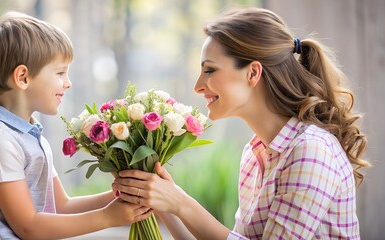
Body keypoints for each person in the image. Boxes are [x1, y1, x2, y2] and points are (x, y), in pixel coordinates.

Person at [113, 7, 370, 239]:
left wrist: (182, 203)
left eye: (210, 70)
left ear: (253, 73)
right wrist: (164, 203)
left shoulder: (311, 150)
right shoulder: (255, 154)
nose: (198, 86)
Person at [0, 11, 152, 239]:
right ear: (23, 77)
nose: (68, 83)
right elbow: (29, 227)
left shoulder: (31, 134)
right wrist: (107, 218)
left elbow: (61, 206)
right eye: (60, 72)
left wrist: (120, 196)